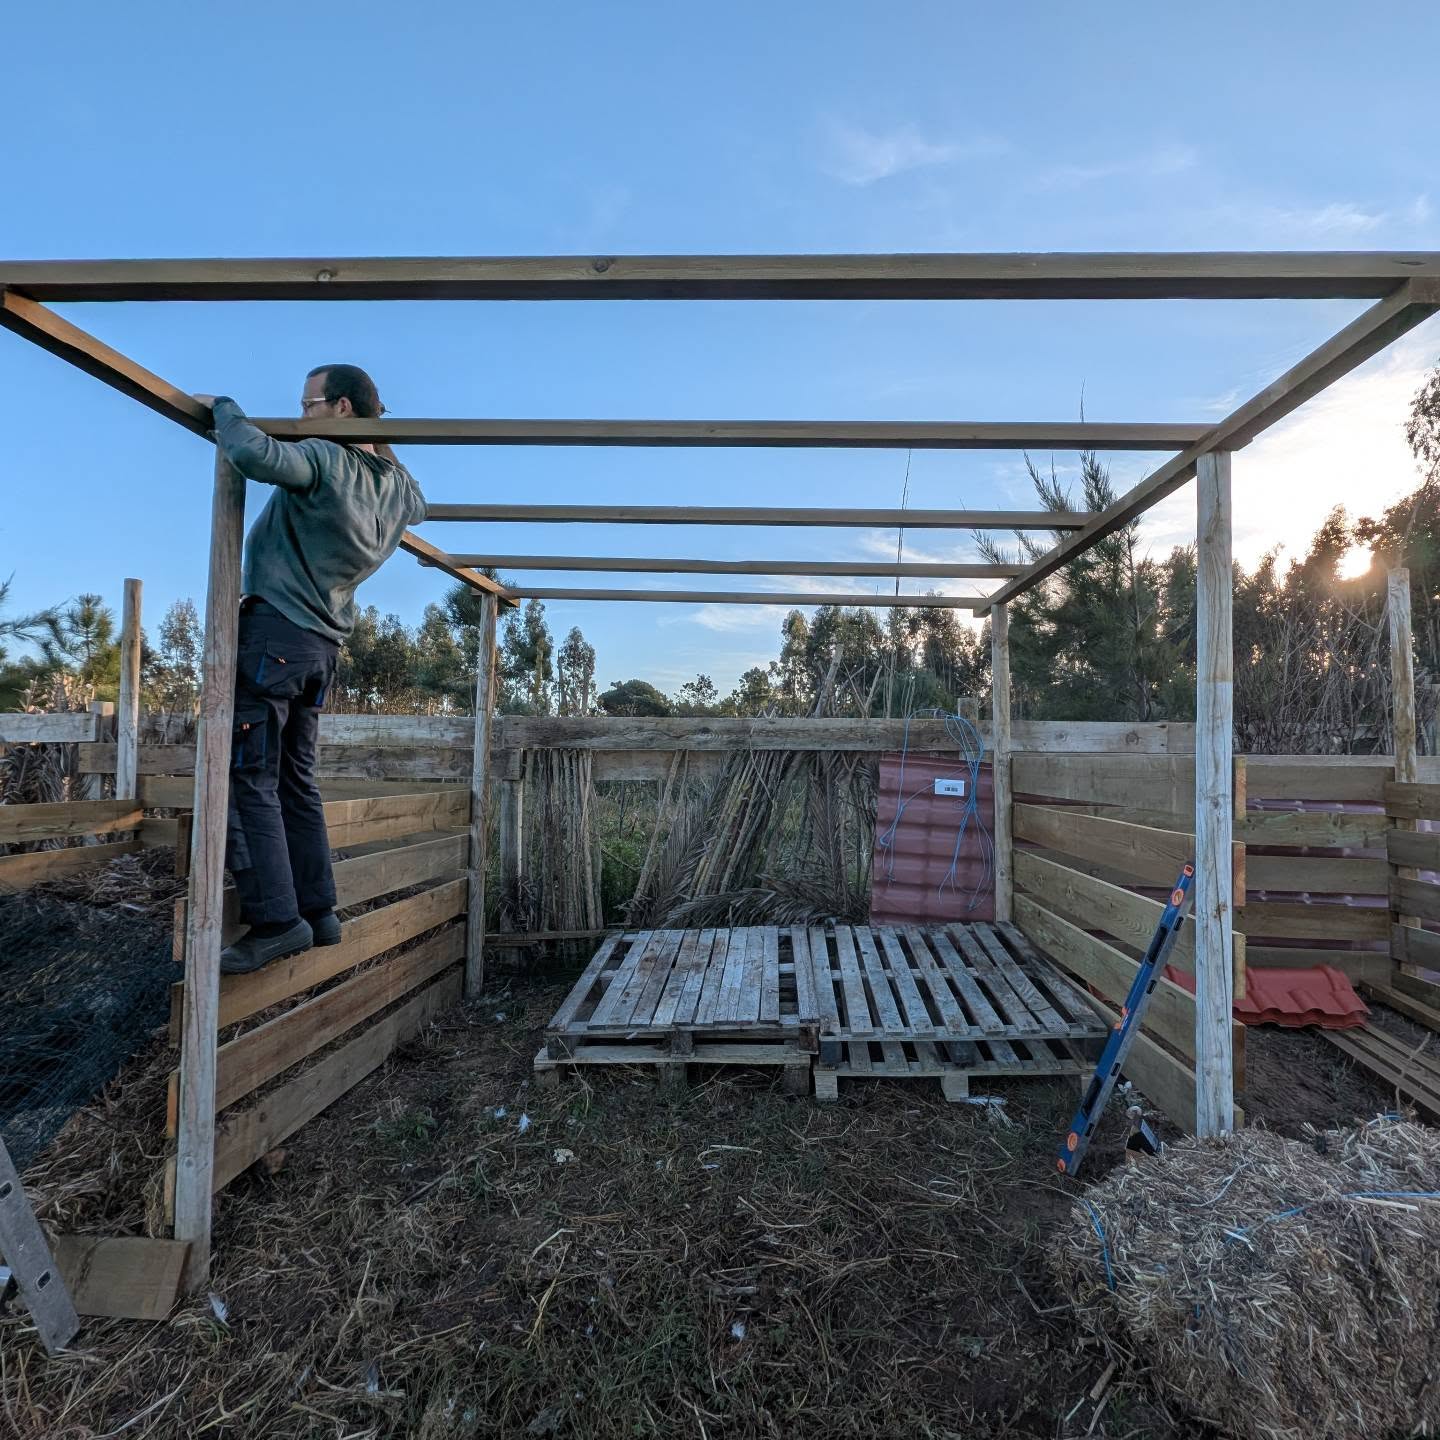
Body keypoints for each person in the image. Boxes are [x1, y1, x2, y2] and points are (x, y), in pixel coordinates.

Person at [192, 366, 427, 974]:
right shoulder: (396, 489)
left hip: (275, 632)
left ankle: (275, 920)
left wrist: (223, 404)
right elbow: (421, 503)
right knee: (296, 780)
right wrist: (378, 431)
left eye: (308, 404)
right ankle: (319, 910)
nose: (301, 415)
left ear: (341, 407)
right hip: (321, 647)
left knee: (247, 774)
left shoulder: (324, 457)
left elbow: (251, 453)